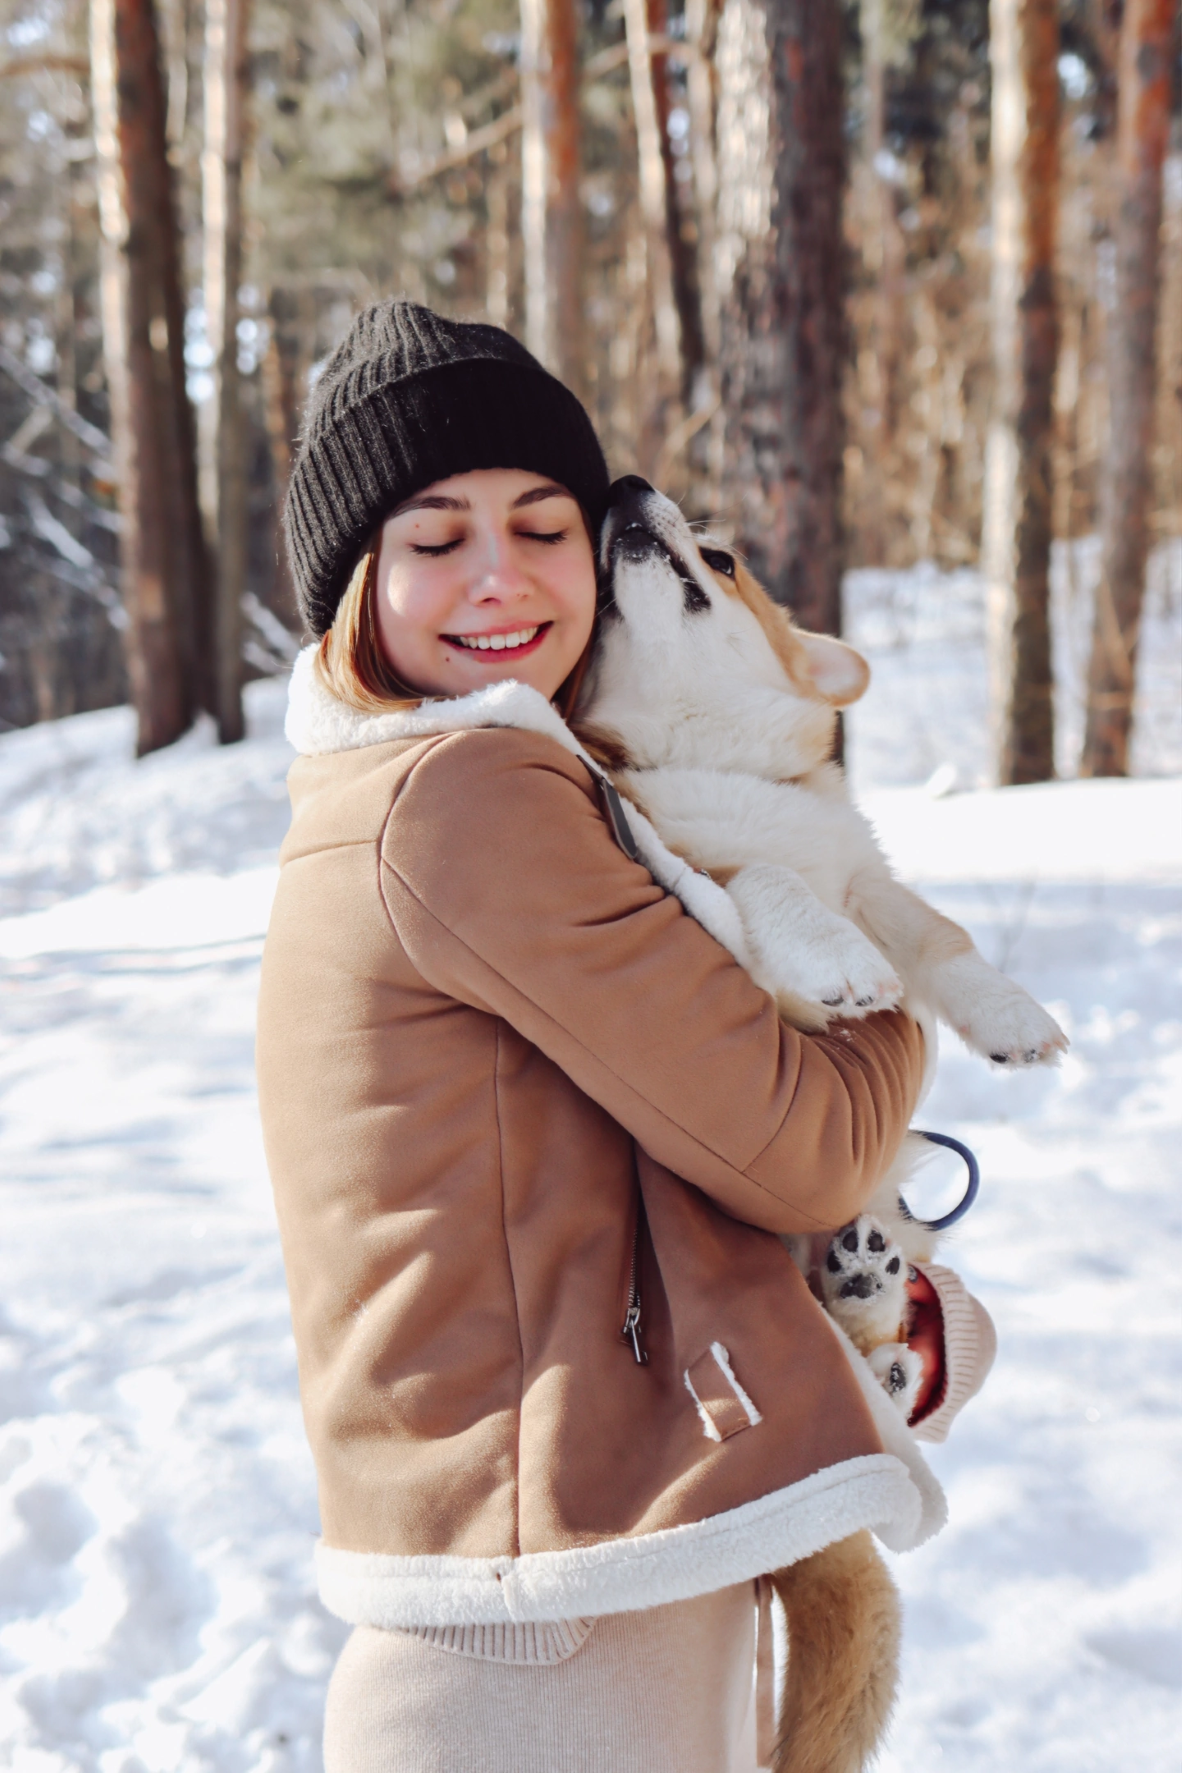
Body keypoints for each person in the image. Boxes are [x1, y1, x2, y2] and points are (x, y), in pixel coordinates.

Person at [256, 302, 938, 1772]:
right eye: (433, 539)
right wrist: (895, 986)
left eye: (542, 524)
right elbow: (805, 1148)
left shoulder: (468, 785)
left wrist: (888, 1319)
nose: (498, 578)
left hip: (575, 1597)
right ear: (352, 586)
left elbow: (637, 1177)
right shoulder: (464, 795)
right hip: (541, 1653)